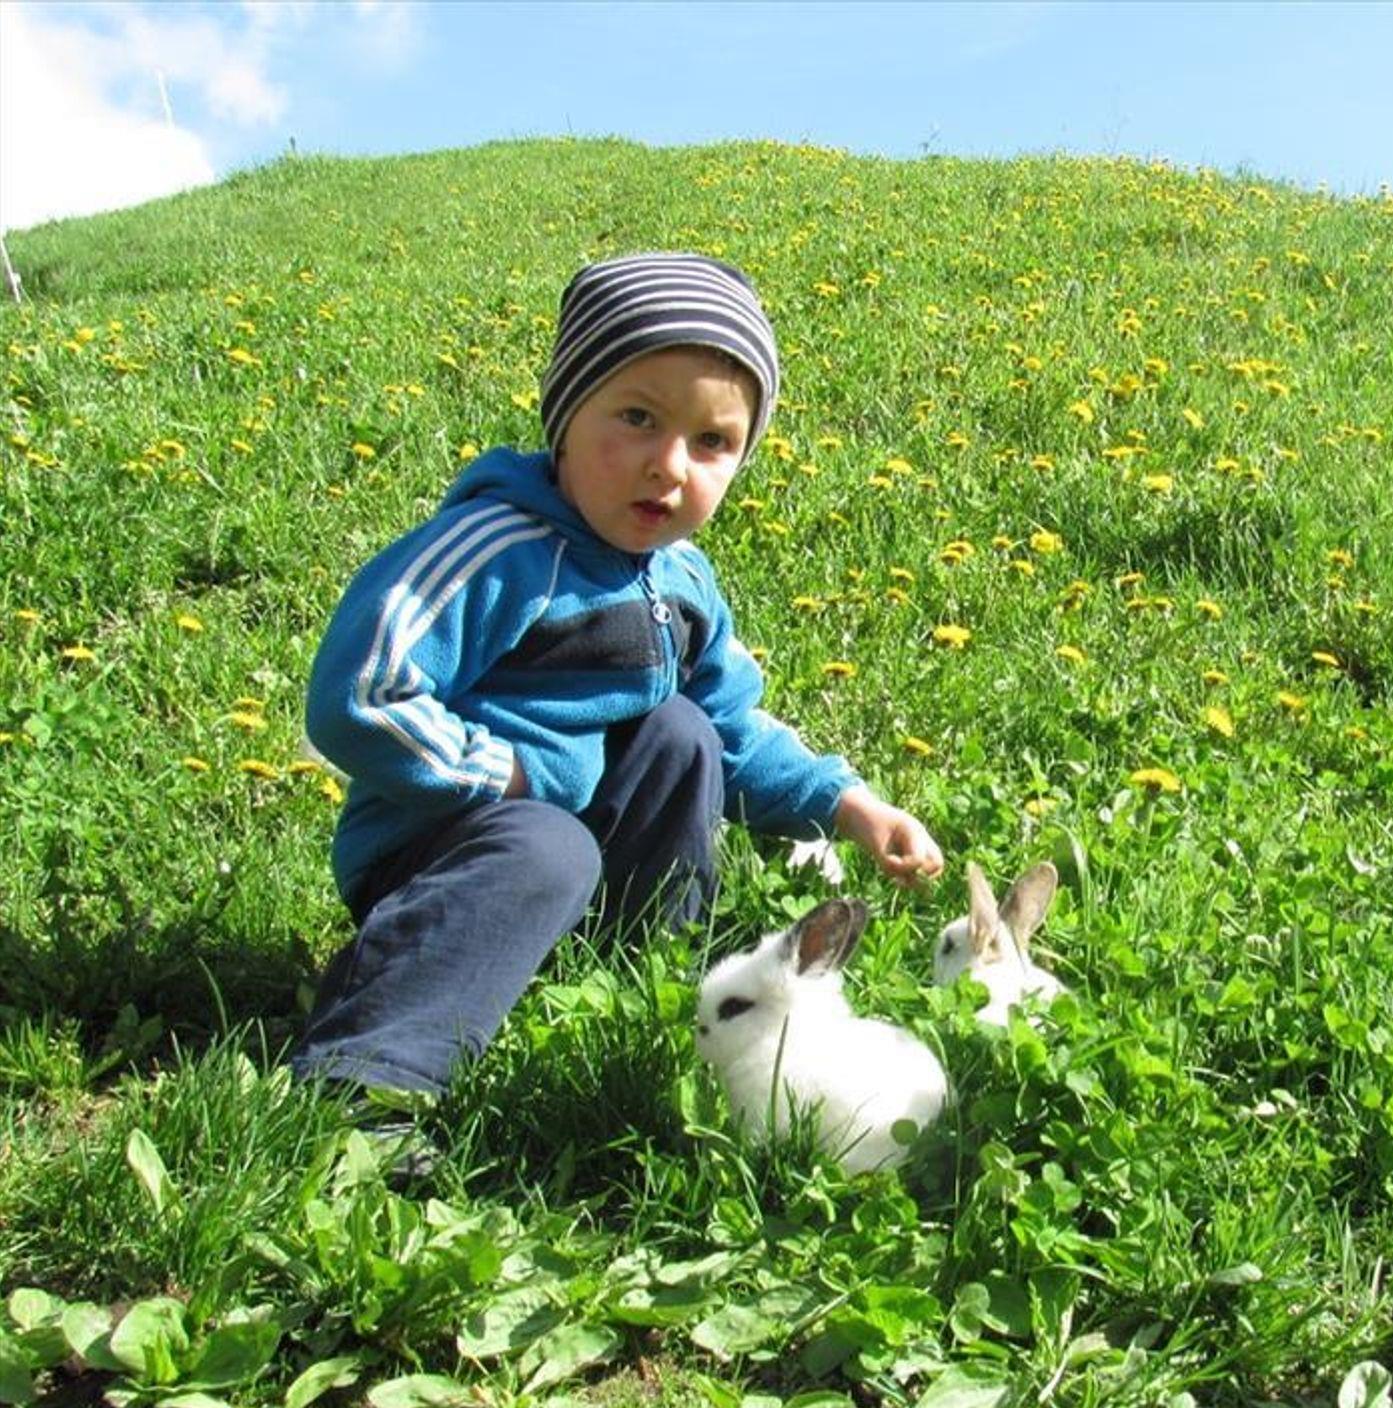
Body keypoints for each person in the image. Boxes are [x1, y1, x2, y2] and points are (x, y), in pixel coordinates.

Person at [292, 252, 942, 1100]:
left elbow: (735, 731)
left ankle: (650, 977)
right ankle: (370, 1075)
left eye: (713, 441)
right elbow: (361, 693)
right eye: (638, 418)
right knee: (549, 843)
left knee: (682, 732)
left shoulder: (682, 582)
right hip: (444, 857)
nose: (670, 464)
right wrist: (507, 774)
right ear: (565, 416)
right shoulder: (497, 552)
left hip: (573, 851)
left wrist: (849, 806)